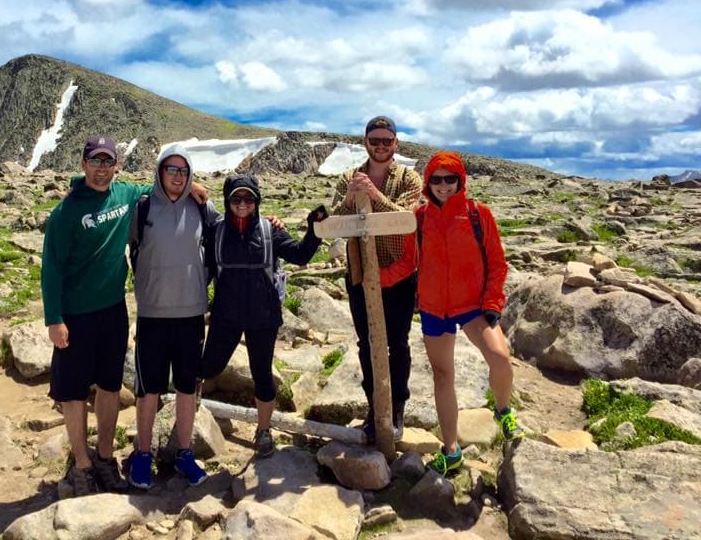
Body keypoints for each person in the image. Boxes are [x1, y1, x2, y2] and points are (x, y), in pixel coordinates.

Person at [41, 136, 208, 496]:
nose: (102, 169)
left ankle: (104, 457)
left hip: (114, 310)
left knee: (110, 386)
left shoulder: (128, 196)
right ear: (84, 164)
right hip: (75, 313)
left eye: (108, 162)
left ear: (117, 166)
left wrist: (192, 183)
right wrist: (54, 318)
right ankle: (83, 465)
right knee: (72, 392)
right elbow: (51, 268)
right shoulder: (66, 212)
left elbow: (162, 186)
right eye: (95, 161)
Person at [381, 150, 525, 476]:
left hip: (474, 306)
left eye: (450, 179)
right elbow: (407, 263)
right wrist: (376, 279)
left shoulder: (478, 214)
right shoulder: (419, 218)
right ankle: (451, 449)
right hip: (434, 308)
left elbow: (497, 263)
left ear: (460, 181)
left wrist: (492, 302)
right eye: (437, 179)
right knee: (443, 376)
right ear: (428, 182)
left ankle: (503, 410)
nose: (443, 185)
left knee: (500, 357)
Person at [200, 174, 325, 457]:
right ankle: (188, 410)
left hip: (263, 317)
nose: (242, 204)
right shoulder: (216, 231)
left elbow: (300, 254)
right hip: (226, 315)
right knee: (208, 366)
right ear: (227, 201)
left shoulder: (270, 231)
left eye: (248, 198)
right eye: (236, 198)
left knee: (262, 374)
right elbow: (202, 268)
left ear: (257, 201)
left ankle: (263, 430)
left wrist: (314, 229)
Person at [127, 145, 220, 490]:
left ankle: (184, 453)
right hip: (152, 313)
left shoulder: (203, 208)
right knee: (148, 388)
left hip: (191, 313)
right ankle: (142, 453)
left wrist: (271, 224)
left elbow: (236, 226)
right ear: (160, 172)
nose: (178, 176)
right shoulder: (143, 206)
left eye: (184, 171)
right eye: (172, 170)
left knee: (186, 388)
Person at [331, 115, 423, 442]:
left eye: (387, 141)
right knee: (366, 342)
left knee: (397, 342)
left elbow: (403, 218)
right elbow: (336, 222)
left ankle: (397, 406)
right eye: (375, 140)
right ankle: (374, 406)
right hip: (359, 272)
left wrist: (372, 194)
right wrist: (348, 198)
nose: (381, 146)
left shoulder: (410, 178)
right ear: (365, 142)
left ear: (396, 144)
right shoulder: (347, 178)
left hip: (398, 273)